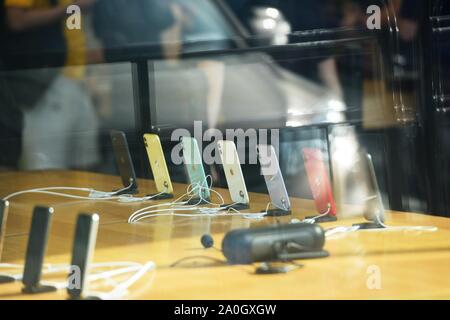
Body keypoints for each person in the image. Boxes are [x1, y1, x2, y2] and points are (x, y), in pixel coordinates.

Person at [2, 0, 101, 170]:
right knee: (45, 169)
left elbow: (73, 23)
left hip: (76, 77)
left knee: (85, 165)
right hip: (42, 81)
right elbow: (16, 21)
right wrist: (71, 8)